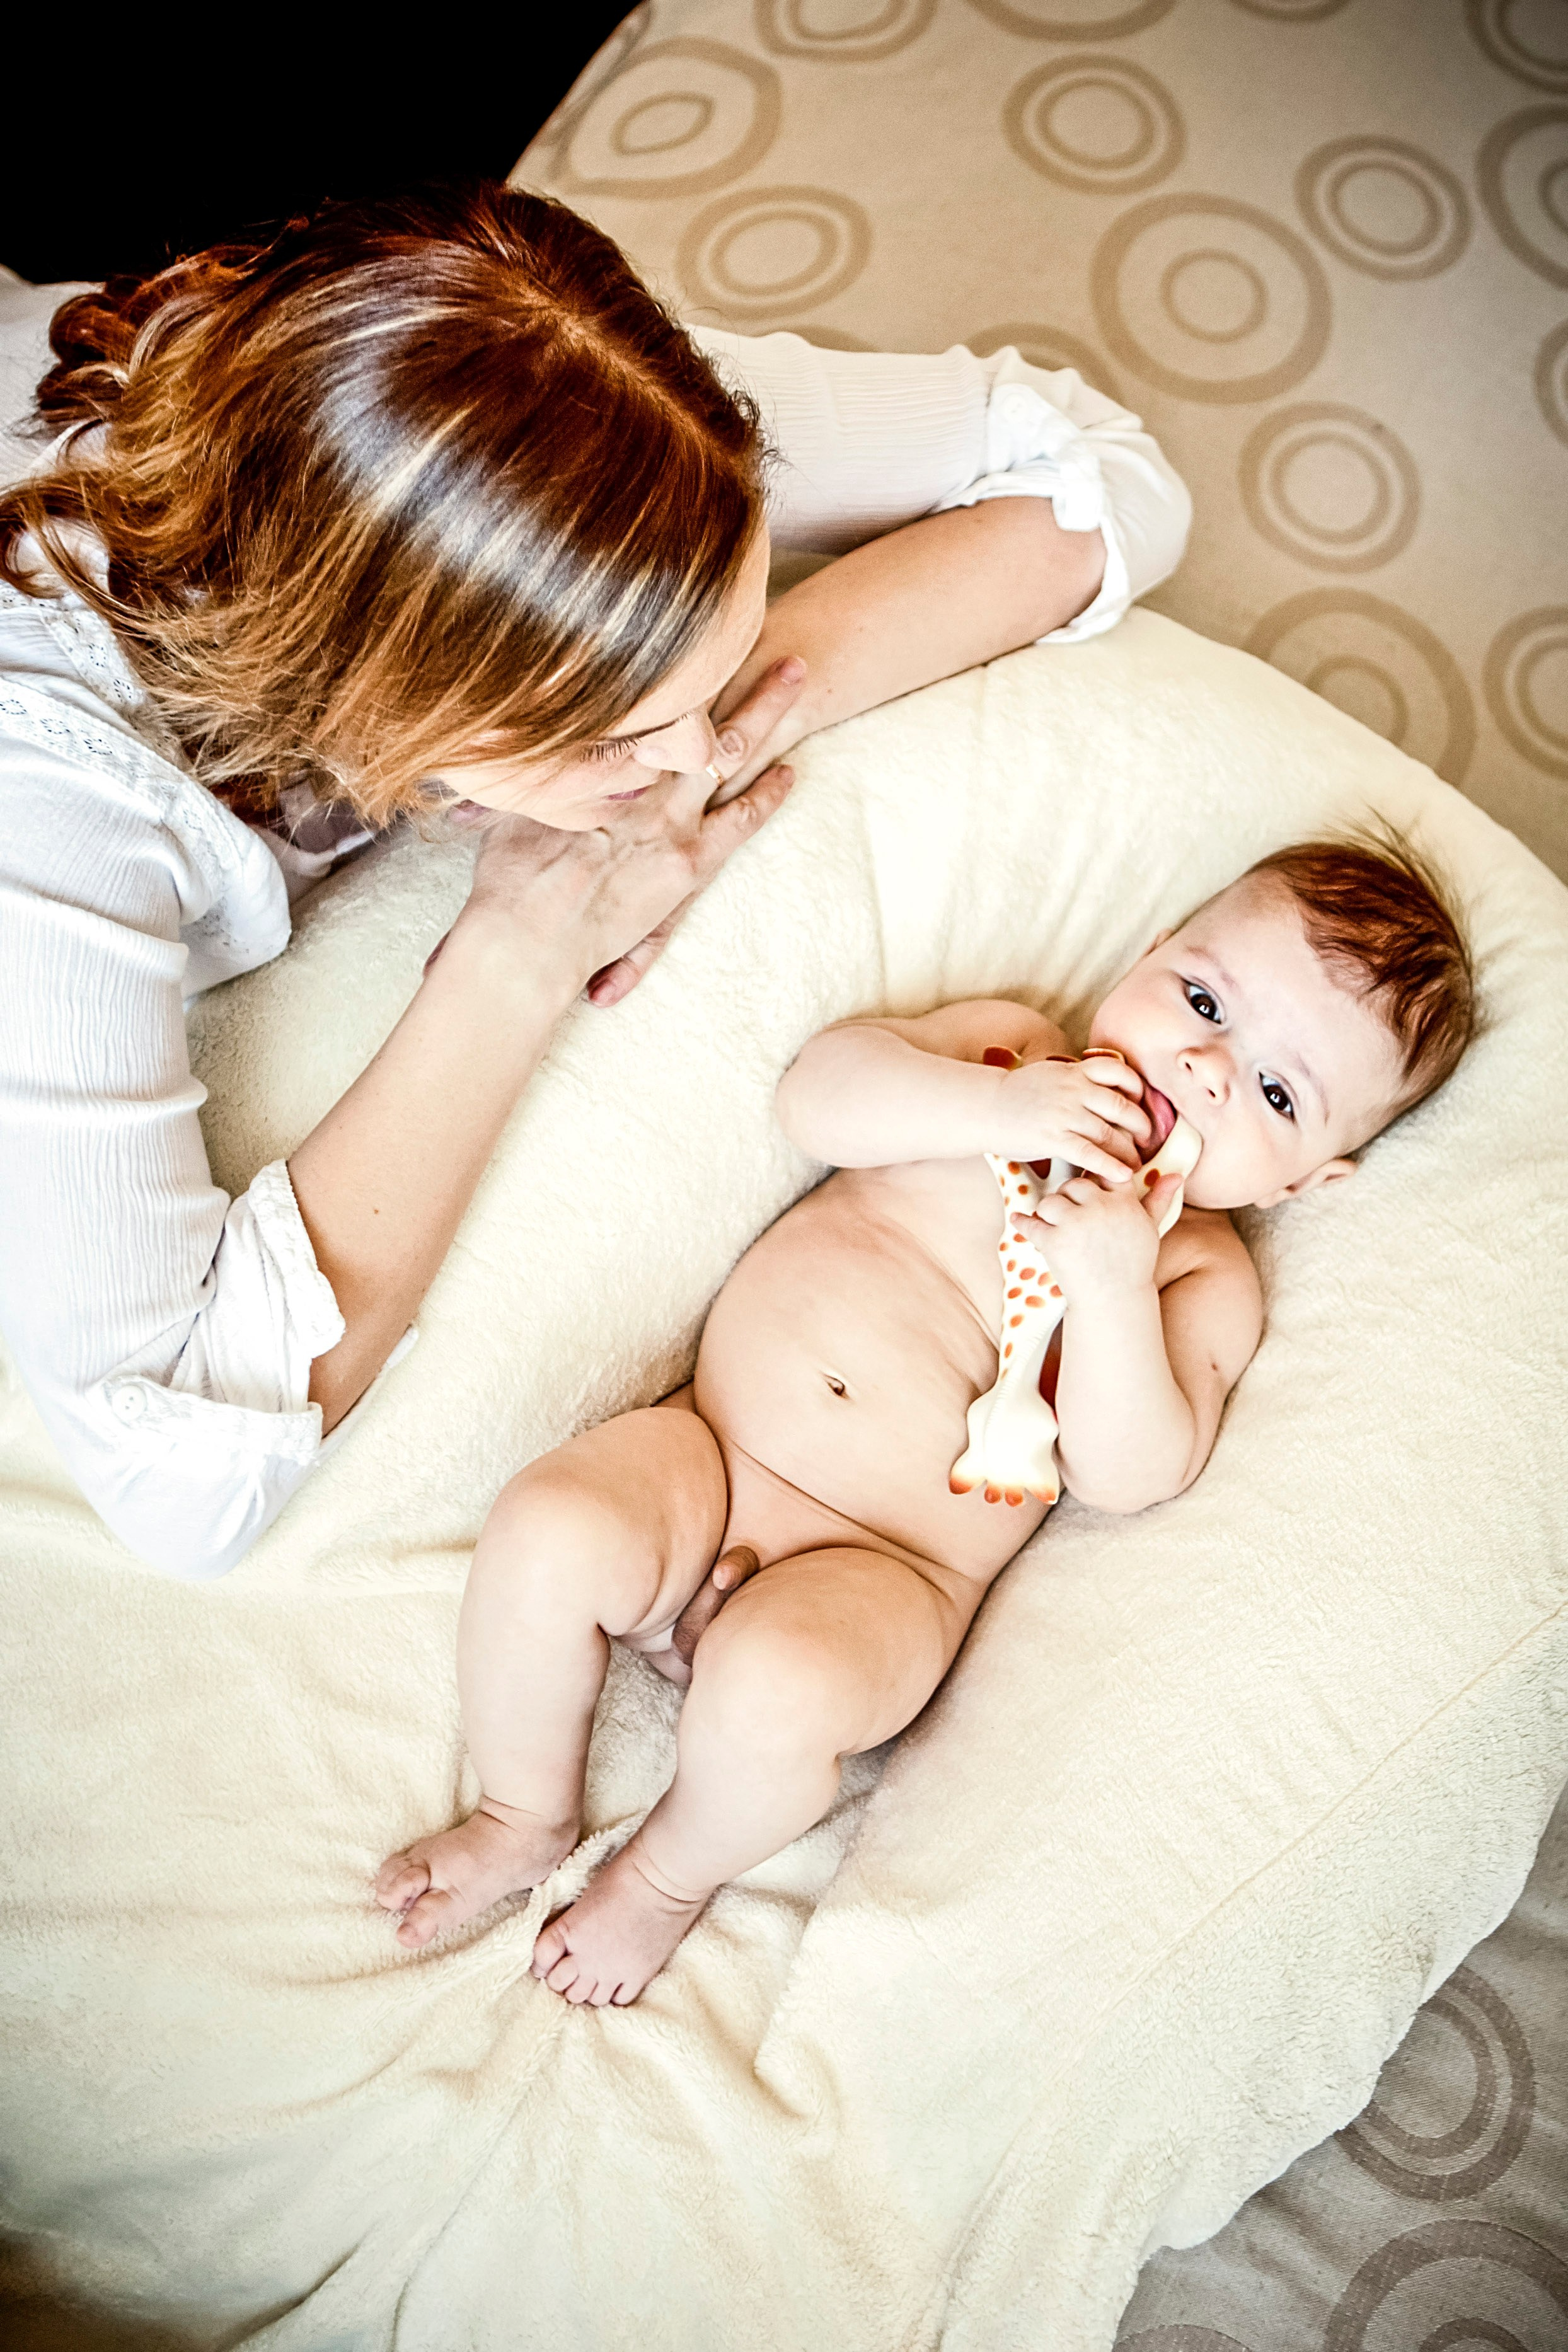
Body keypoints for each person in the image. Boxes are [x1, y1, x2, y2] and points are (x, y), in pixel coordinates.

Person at [0, 183, 1190, 1580]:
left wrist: (736, 716)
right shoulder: (53, 820)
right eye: (615, 736)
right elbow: (178, 1481)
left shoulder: (553, 415)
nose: (684, 764)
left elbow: (1101, 473)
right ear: (375, 704)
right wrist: (516, 947)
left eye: (709, 656)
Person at [376, 836, 1477, 2005]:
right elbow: (819, 1098)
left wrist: (1111, 1288)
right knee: (552, 1526)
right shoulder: (1009, 1053)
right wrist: (997, 1105)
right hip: (711, 1449)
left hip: (889, 1573)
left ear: (1308, 1180)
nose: (1205, 1066)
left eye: (1273, 1093)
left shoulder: (1198, 1274)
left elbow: (1131, 1472)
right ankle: (522, 1810)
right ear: (1149, 955)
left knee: (780, 1692)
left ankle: (661, 1878)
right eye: (1202, 1001)